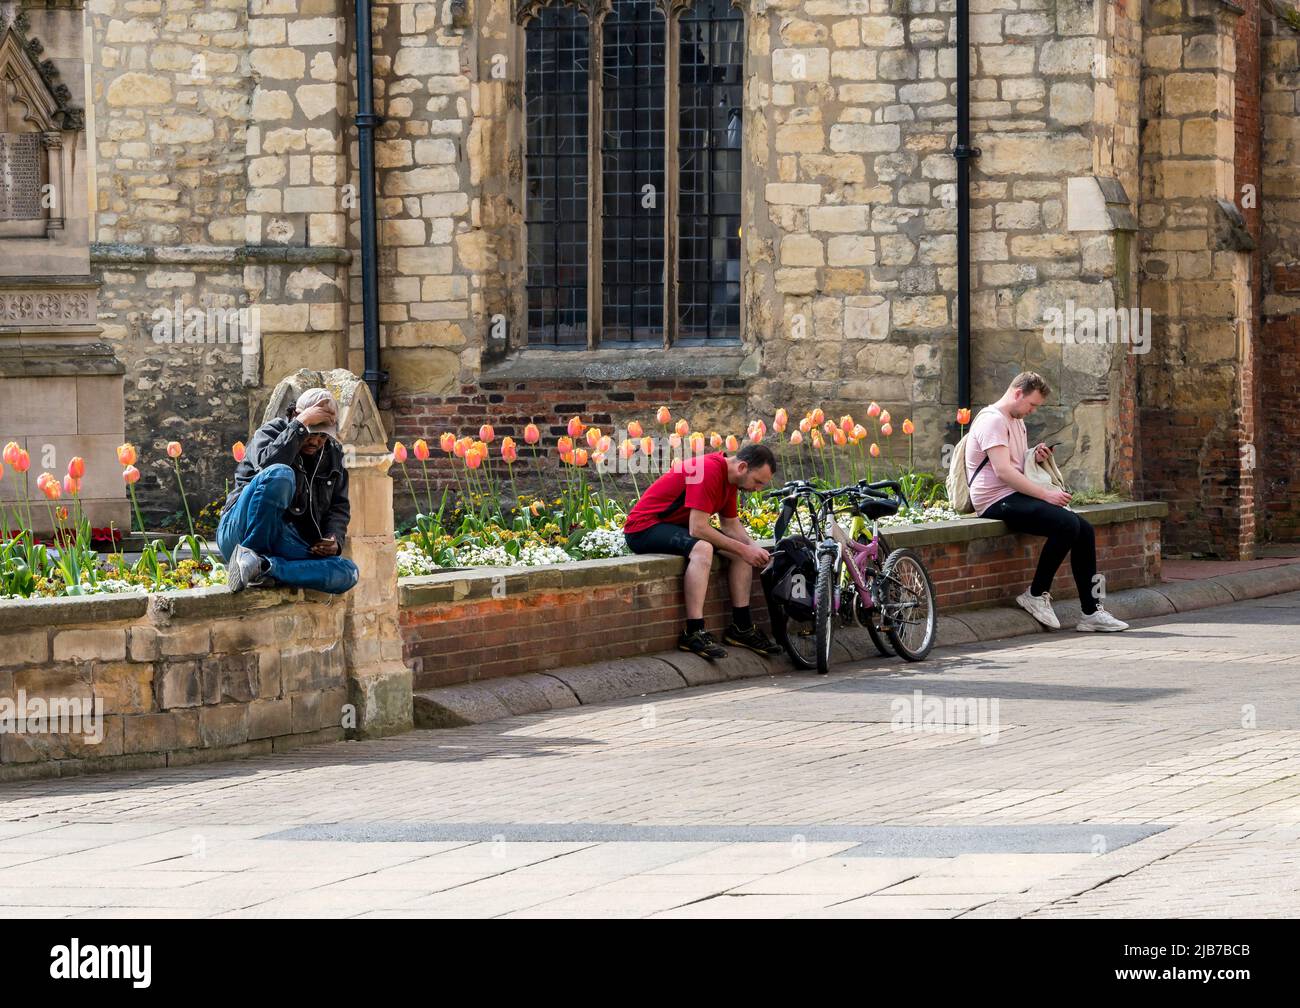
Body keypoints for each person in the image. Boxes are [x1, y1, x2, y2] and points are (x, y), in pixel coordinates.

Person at [966, 371, 1128, 632]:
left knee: (1083, 529)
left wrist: (1036, 456)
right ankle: (1036, 594)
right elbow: (1003, 471)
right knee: (1066, 524)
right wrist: (1046, 495)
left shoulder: (1016, 421)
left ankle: (1091, 612)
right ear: (1018, 393)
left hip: (1014, 495)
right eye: (1032, 404)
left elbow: (1017, 464)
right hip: (994, 500)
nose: (1033, 411)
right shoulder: (992, 421)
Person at [624, 442, 782, 660]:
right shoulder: (708, 470)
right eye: (757, 482)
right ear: (743, 467)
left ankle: (741, 628)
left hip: (675, 526)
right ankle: (693, 631)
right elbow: (697, 528)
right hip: (643, 528)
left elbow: (731, 525)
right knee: (702, 549)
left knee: (740, 552)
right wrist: (744, 550)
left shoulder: (731, 480)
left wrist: (753, 549)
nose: (758, 489)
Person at [218, 387, 359, 595]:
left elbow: (339, 506)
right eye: (312, 432)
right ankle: (247, 555)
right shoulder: (270, 432)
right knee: (281, 474)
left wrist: (334, 539)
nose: (316, 441)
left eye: (323, 436)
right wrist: (300, 426)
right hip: (240, 528)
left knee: (348, 572)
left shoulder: (333, 454)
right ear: (296, 415)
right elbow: (267, 472)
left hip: (284, 539)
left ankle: (263, 566)